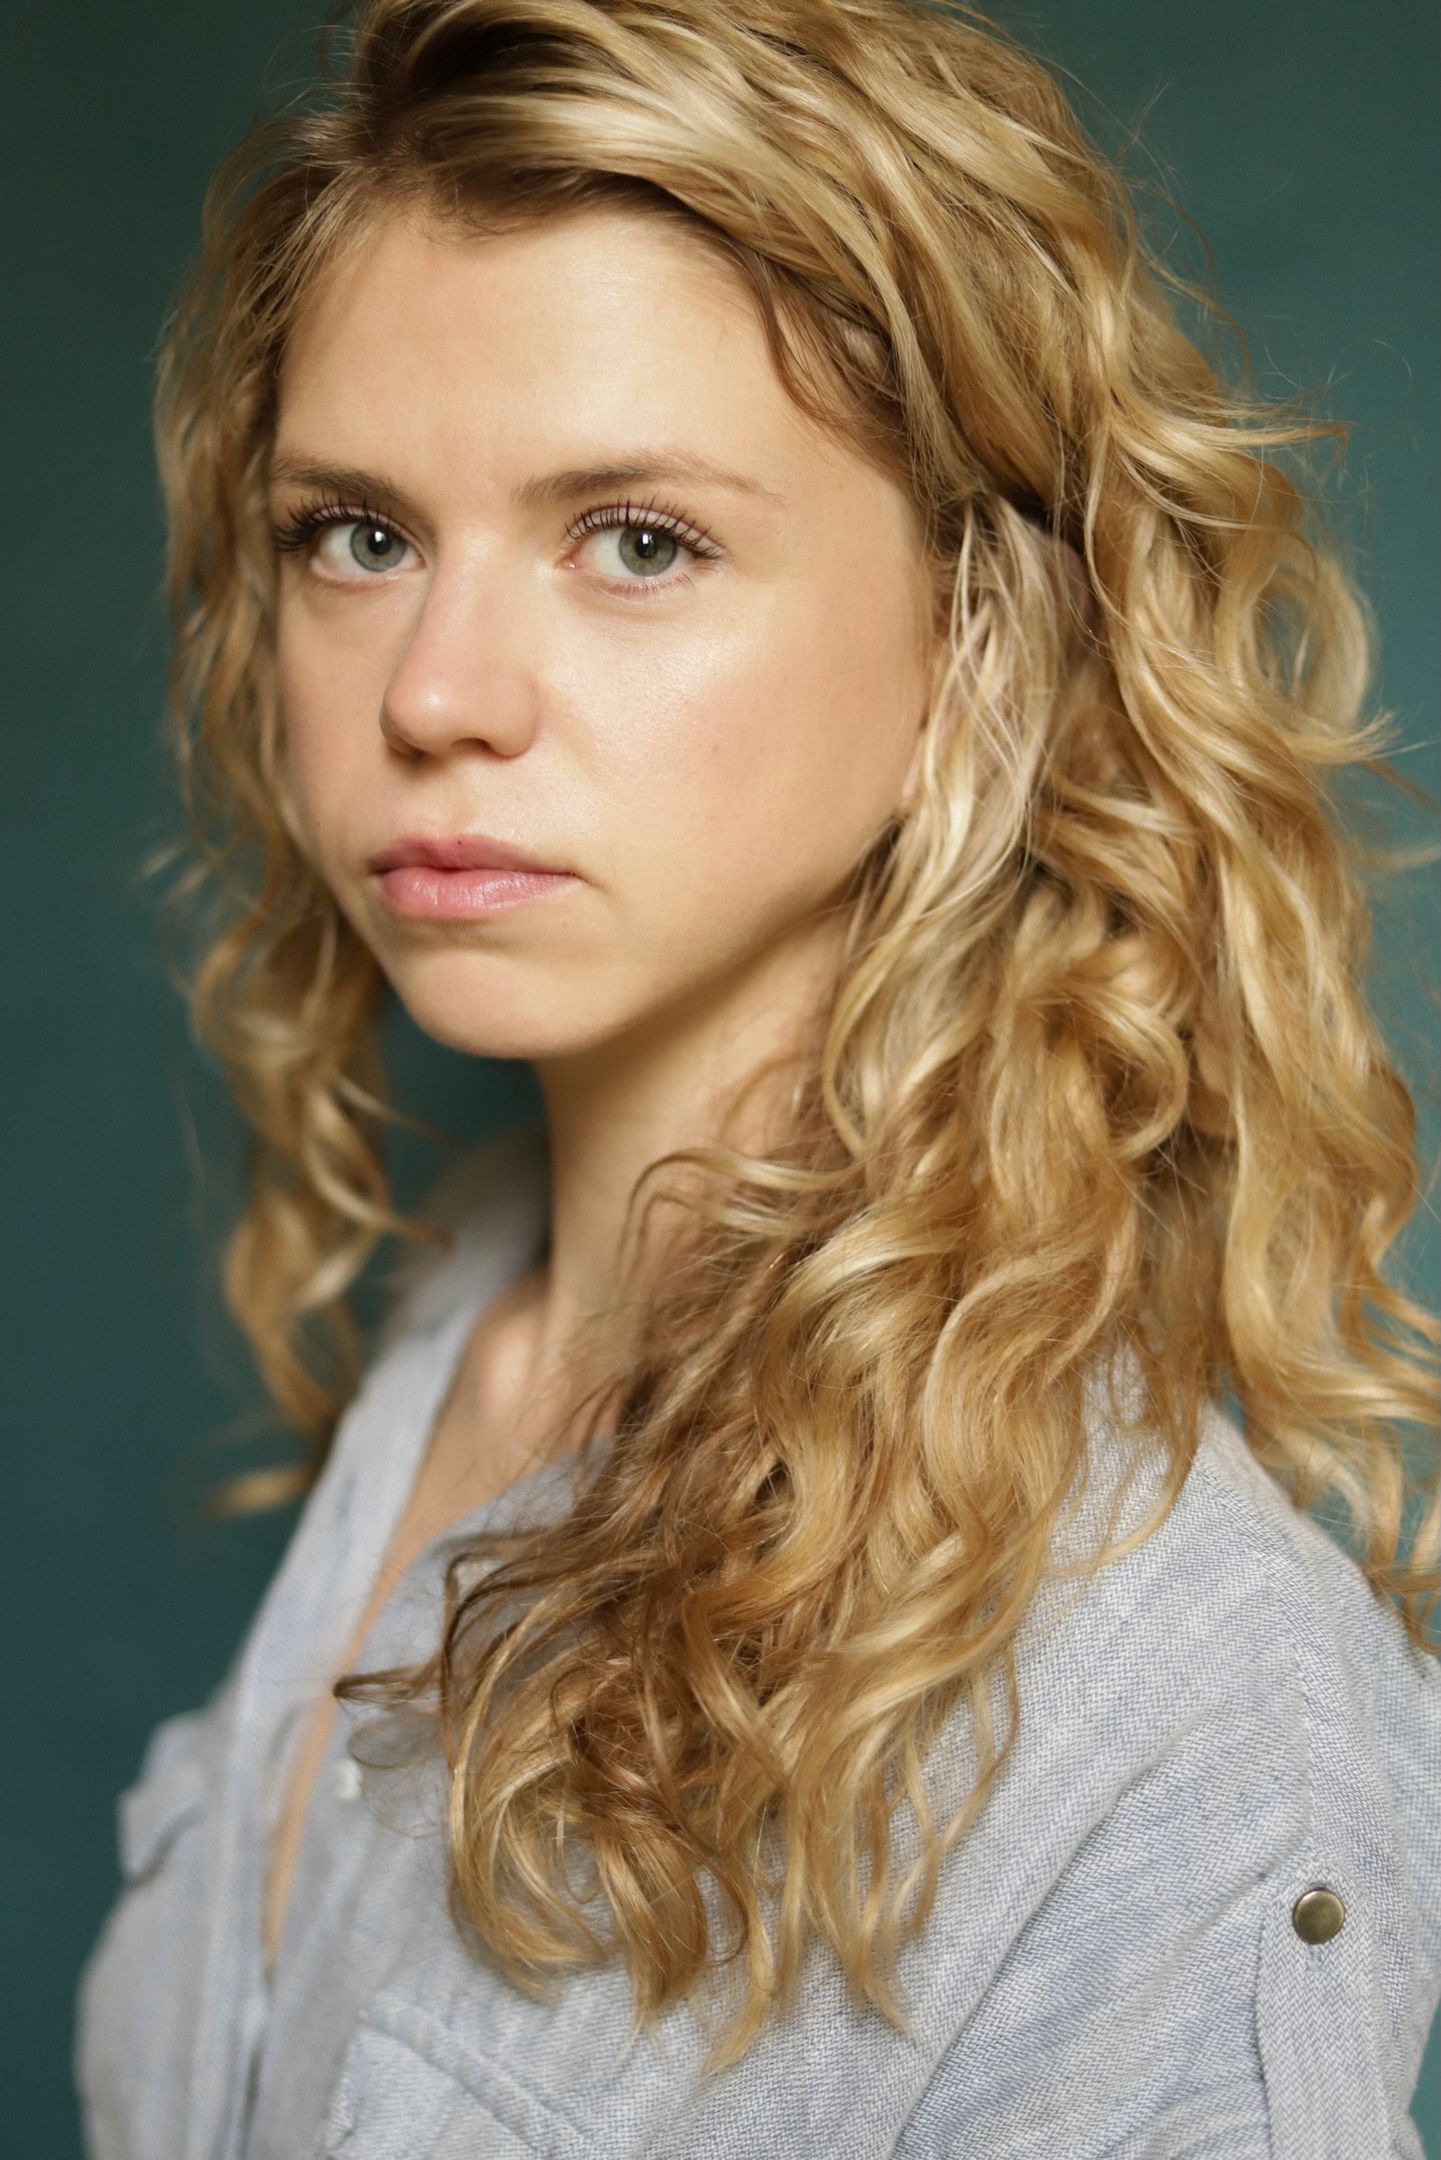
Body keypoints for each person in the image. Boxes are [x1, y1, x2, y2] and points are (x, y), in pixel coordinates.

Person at [75, 1, 1439, 2154]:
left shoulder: (1170, 1687)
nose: (432, 691)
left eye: (636, 539)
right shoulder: (466, 1339)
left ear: (980, 635)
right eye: (357, 532)